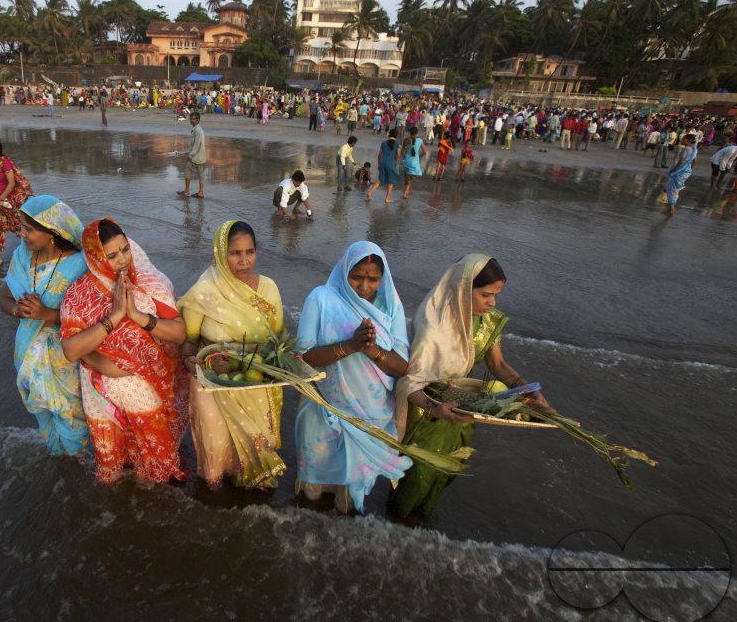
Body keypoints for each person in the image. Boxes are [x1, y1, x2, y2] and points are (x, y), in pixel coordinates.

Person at [387, 255, 552, 519]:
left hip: (462, 407)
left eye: (496, 295)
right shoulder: (434, 326)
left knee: (445, 471)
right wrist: (436, 410)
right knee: (418, 475)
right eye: (486, 295)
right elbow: (410, 382)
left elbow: (497, 364)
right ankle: (396, 531)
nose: (493, 302)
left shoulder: (486, 321)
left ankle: (419, 527)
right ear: (463, 290)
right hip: (427, 411)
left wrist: (527, 390)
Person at [60, 219, 188, 484]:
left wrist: (138, 316)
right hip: (99, 389)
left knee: (159, 459)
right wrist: (115, 317)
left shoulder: (147, 284)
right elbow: (71, 350)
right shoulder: (79, 293)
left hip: (145, 386)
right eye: (111, 255)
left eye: (125, 250)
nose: (122, 260)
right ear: (95, 257)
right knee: (113, 465)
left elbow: (178, 333)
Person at [295, 241, 413, 514]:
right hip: (322, 409)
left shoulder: (391, 307)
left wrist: (372, 350)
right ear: (343, 270)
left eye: (373, 279)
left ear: (382, 279)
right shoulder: (321, 299)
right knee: (312, 495)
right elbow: (302, 357)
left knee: (348, 498)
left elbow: (401, 367)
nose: (364, 286)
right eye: (356, 277)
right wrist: (348, 346)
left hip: (368, 417)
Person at [178, 220, 286, 488]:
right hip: (211, 381)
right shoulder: (204, 292)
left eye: (250, 252)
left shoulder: (269, 288)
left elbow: (278, 337)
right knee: (216, 452)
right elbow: (188, 340)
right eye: (235, 253)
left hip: (256, 378)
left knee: (253, 453)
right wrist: (188, 360)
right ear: (220, 253)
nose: (244, 260)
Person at [1, 195, 90, 455]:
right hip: (28, 354)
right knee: (44, 415)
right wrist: (18, 309)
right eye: (21, 227)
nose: (22, 234)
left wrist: (47, 314)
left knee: (72, 418)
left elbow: (92, 317)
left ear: (51, 231)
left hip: (65, 359)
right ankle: (58, 462)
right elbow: (4, 299)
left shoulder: (80, 265)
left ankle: (78, 468)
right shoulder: (21, 256)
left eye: (28, 229)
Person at [0, 137, 34, 266]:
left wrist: (1, 198)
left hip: (7, 203)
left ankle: (33, 250)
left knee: (16, 228)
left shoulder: (5, 163)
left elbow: (11, 183)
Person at [663, 133, 698, 216]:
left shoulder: (686, 149)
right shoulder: (694, 149)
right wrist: (689, 169)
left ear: (689, 140)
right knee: (674, 189)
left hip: (679, 171)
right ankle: (671, 208)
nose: (682, 140)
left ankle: (671, 209)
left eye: (684, 139)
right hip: (686, 171)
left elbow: (681, 160)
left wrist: (674, 169)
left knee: (673, 189)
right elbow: (695, 161)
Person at [367, 129, 400, 203]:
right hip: (391, 164)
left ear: (389, 135)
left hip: (383, 163)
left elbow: (379, 155)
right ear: (396, 136)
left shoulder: (384, 143)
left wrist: (379, 164)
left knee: (380, 180)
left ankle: (370, 192)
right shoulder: (397, 143)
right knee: (391, 181)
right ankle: (388, 198)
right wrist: (396, 163)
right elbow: (398, 155)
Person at [180, 112, 206, 198]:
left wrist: (191, 154)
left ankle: (187, 191)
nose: (192, 120)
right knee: (201, 175)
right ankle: (200, 192)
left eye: (194, 119)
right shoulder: (197, 129)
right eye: (191, 119)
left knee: (188, 171)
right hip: (201, 156)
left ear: (198, 120)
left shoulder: (198, 130)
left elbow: (197, 144)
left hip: (195, 157)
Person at [401, 125, 426, 199]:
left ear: (410, 133)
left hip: (406, 162)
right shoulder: (420, 140)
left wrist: (404, 158)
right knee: (411, 178)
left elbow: (402, 152)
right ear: (417, 133)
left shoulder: (406, 140)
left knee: (407, 178)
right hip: (414, 163)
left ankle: (406, 191)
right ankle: (405, 193)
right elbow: (425, 152)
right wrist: (419, 157)